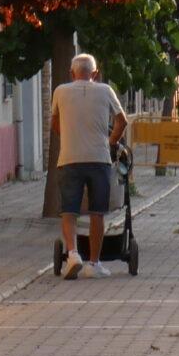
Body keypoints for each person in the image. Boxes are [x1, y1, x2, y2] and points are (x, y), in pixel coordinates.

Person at [49, 53, 127, 279]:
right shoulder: (105, 90)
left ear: (71, 73)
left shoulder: (60, 91)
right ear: (96, 73)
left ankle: (73, 254)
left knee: (69, 211)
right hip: (99, 159)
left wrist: (70, 136)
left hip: (69, 159)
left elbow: (54, 122)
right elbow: (122, 121)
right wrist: (111, 141)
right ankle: (94, 263)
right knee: (97, 213)